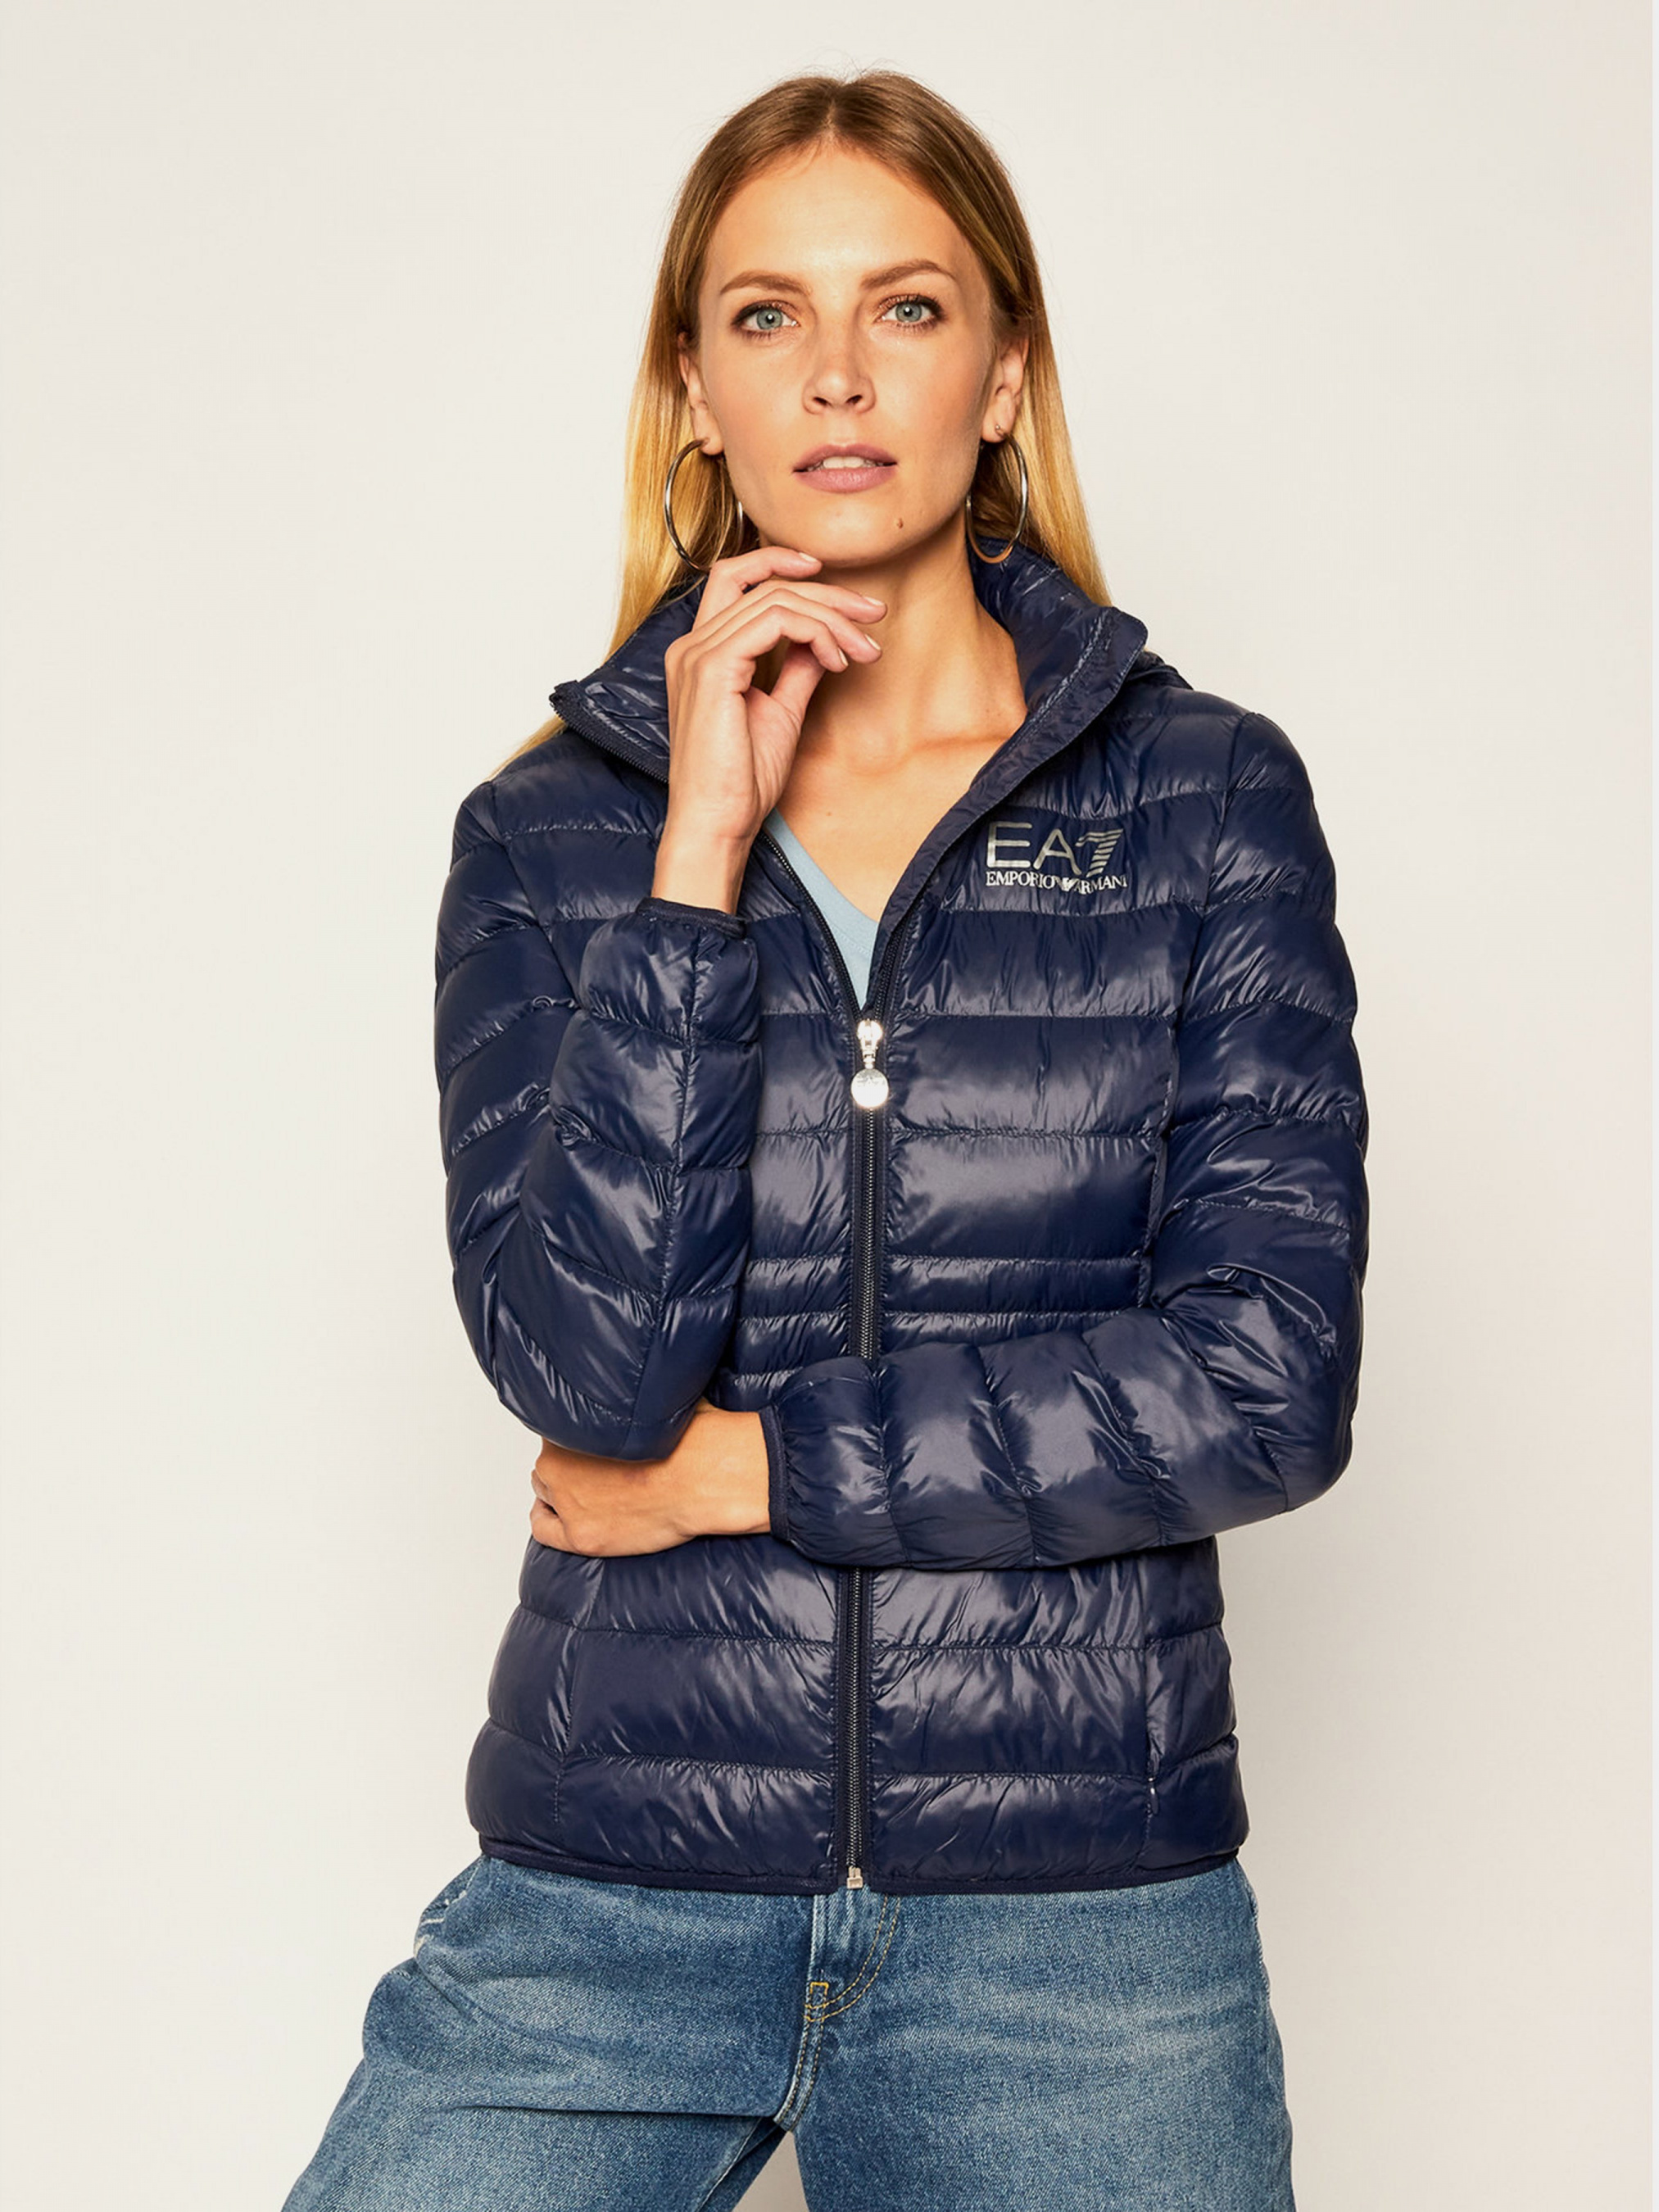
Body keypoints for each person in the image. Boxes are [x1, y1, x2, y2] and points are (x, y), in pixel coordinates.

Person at [282, 65, 1367, 2212]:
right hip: (609, 1892)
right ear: (693, 390)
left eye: (909, 306)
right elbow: (582, 1379)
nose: (840, 373)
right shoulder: (548, 840)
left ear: (1005, 374)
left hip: (1076, 1926)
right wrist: (694, 859)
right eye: (767, 314)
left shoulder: (1204, 800)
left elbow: (1264, 1377)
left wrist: (758, 1471)